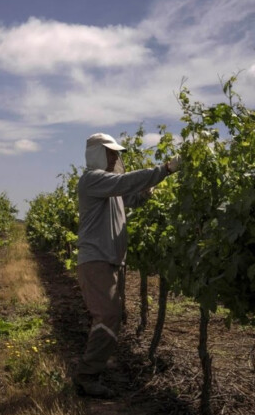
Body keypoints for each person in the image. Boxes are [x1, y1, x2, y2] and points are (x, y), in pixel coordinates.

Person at [72, 133, 179, 398]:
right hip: (96, 260)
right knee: (108, 315)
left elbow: (132, 198)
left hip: (110, 261)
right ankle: (87, 376)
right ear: (97, 153)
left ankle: (92, 371)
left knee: (110, 316)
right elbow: (126, 182)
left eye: (116, 153)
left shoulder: (110, 189)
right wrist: (164, 170)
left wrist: (146, 191)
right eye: (110, 153)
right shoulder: (92, 179)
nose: (115, 157)